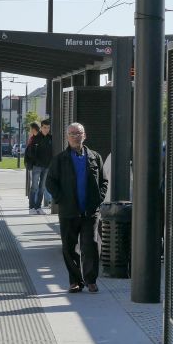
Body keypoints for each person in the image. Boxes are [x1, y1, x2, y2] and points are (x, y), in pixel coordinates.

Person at [46, 122, 107, 293]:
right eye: (72, 133)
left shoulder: (95, 157)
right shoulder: (60, 159)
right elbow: (50, 182)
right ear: (67, 137)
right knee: (69, 247)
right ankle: (75, 281)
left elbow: (104, 181)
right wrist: (61, 199)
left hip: (90, 211)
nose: (75, 136)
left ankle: (91, 280)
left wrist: (99, 198)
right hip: (69, 211)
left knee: (91, 245)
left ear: (84, 136)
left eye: (79, 133)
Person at [28, 119, 54, 213]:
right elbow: (31, 152)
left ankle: (38, 207)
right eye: (45, 127)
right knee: (34, 187)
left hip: (47, 167)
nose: (46, 129)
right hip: (37, 166)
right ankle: (31, 208)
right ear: (41, 128)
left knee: (42, 188)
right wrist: (34, 162)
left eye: (48, 128)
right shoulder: (35, 138)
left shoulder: (51, 138)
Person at [24, 122, 41, 210]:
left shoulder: (38, 139)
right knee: (35, 185)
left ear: (34, 129)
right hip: (32, 165)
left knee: (35, 186)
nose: (29, 130)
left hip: (35, 165)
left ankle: (34, 204)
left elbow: (33, 153)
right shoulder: (32, 138)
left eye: (30, 129)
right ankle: (34, 204)